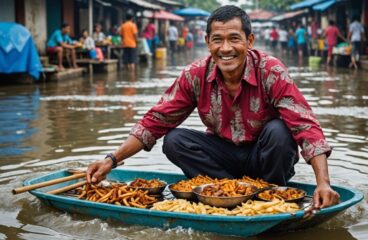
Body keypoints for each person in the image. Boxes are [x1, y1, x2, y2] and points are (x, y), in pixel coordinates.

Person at [86, 5, 340, 211]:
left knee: (280, 131)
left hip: (265, 157)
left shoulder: (270, 71)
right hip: (224, 160)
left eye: (234, 39)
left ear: (249, 41)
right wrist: (111, 160)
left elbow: (305, 125)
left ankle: (270, 197)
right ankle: (226, 194)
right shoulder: (195, 74)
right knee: (175, 140)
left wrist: (323, 183)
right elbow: (156, 119)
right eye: (217, 40)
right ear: (208, 42)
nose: (226, 49)